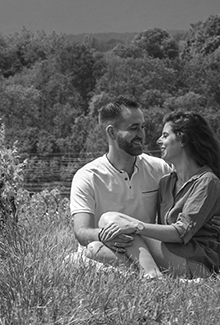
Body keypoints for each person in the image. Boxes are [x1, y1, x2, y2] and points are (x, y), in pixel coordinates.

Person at [92, 111, 220, 279]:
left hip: (197, 259)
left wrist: (134, 226)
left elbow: (181, 232)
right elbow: (162, 228)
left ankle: (151, 274)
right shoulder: (166, 183)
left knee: (111, 220)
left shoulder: (207, 181)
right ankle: (150, 272)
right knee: (94, 248)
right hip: (173, 253)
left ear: (183, 139)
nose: (159, 140)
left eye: (165, 135)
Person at [70, 97, 173, 265]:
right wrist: (106, 235)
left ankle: (145, 269)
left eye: (142, 127)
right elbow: (82, 232)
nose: (141, 134)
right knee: (93, 249)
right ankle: (150, 269)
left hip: (147, 248)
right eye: (134, 128)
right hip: (106, 250)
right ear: (111, 132)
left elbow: (180, 212)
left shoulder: (159, 169)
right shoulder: (88, 176)